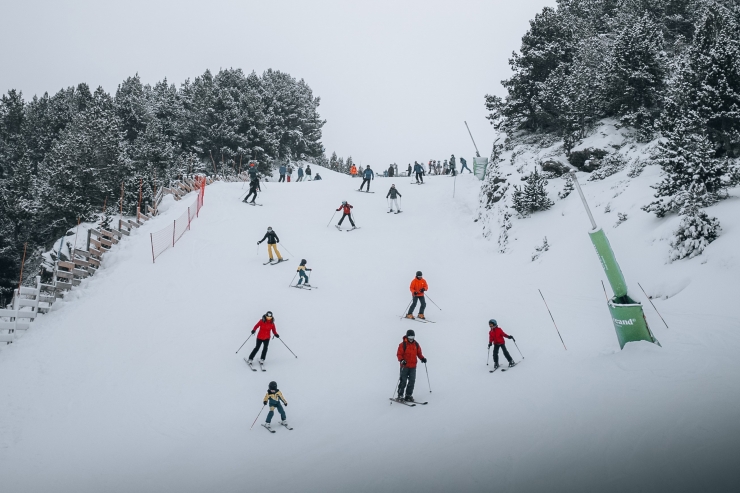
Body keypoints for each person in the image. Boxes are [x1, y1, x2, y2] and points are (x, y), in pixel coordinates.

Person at [396, 329, 426, 402]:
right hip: (404, 366)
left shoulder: (416, 344)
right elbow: (399, 354)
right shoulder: (402, 345)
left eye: (412, 337)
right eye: (410, 337)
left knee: (412, 381)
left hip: (413, 366)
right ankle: (400, 395)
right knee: (403, 381)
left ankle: (408, 395)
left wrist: (422, 358)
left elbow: (419, 353)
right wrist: (402, 360)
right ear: (407, 336)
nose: (411, 339)